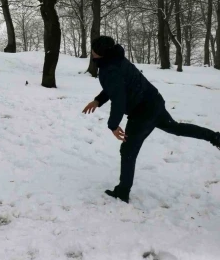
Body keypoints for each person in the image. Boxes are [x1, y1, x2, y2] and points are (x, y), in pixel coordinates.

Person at [83, 36, 220, 203]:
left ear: (101, 53)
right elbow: (118, 87)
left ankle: (123, 192)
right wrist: (98, 100)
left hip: (143, 111)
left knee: (128, 151)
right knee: (175, 128)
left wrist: (113, 125)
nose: (92, 52)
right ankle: (215, 137)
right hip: (153, 101)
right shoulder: (116, 60)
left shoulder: (109, 69)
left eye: (94, 50)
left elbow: (119, 99)